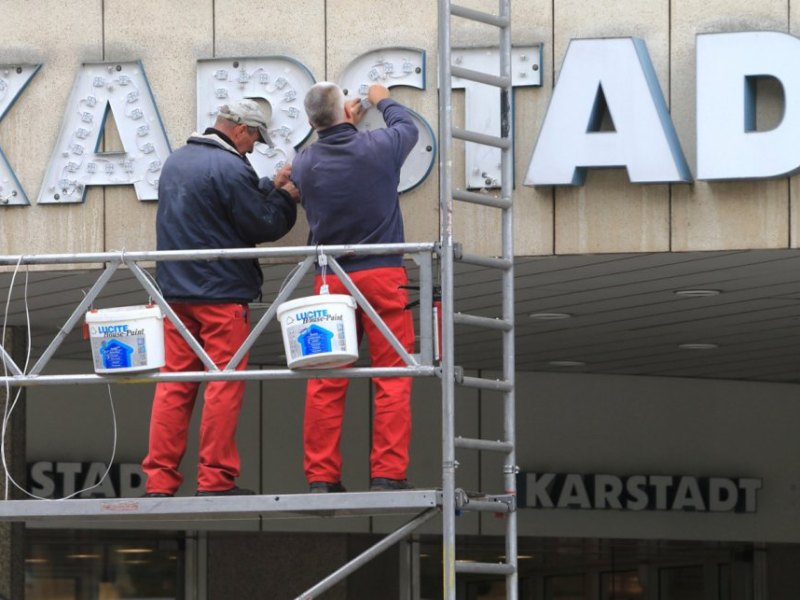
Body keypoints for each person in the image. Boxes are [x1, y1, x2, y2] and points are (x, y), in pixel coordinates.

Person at [141, 99, 300, 497]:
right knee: (223, 384)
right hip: (222, 295)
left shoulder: (177, 161)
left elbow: (218, 208)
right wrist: (285, 197)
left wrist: (266, 186)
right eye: (254, 140)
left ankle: (159, 480)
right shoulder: (230, 166)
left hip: (176, 295)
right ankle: (214, 479)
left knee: (175, 385)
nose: (253, 148)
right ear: (242, 130)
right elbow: (259, 223)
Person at [291, 82, 419, 493]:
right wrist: (381, 98)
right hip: (382, 275)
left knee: (326, 380)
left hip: (329, 281)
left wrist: (339, 122)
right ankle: (387, 475)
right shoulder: (379, 147)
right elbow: (408, 127)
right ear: (347, 112)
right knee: (391, 378)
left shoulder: (304, 163)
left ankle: (321, 478)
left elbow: (320, 145)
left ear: (311, 122)